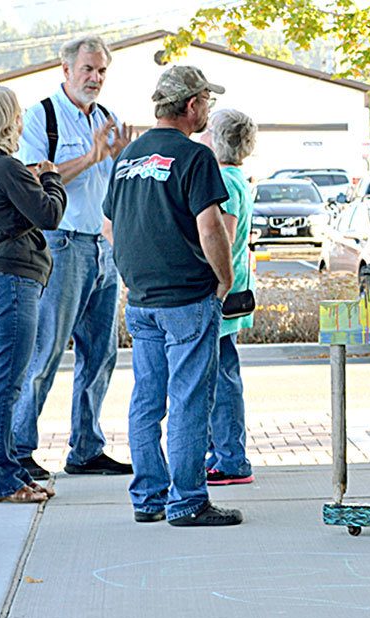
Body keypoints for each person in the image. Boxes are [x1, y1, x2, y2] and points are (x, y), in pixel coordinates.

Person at [102, 65, 241, 527]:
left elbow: (110, 226)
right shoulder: (195, 156)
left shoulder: (127, 157)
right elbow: (211, 226)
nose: (207, 110)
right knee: (188, 398)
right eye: (207, 101)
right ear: (191, 105)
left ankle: (148, 498)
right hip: (186, 298)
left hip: (141, 300)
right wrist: (224, 278)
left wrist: (135, 270)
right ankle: (187, 502)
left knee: (147, 398)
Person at [14, 34, 134, 480]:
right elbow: (33, 178)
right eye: (88, 69)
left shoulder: (107, 118)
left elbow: (112, 183)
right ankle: (19, 450)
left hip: (102, 248)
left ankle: (86, 449)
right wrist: (91, 156)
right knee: (44, 352)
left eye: (102, 70)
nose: (96, 78)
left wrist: (118, 158)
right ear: (65, 70)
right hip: (60, 245)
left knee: (100, 355)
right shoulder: (41, 117)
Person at [0, 86, 68, 504]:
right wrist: (51, 178)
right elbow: (50, 215)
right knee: (6, 385)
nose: (22, 123)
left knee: (0, 383)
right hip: (11, 285)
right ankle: (1, 481)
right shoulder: (6, 168)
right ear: (7, 121)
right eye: (17, 116)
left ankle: (8, 472)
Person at [201, 108, 258, 486]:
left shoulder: (224, 181)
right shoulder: (239, 177)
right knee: (221, 374)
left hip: (224, 293)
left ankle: (230, 457)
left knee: (221, 378)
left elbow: (226, 235)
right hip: (234, 292)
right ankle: (220, 452)